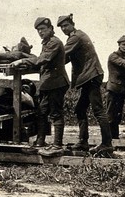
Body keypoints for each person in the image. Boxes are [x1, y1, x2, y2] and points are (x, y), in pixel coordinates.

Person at [11, 17, 69, 157]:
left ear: (50, 29)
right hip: (47, 83)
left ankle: (57, 145)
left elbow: (43, 59)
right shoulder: (47, 42)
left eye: (43, 29)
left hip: (56, 83)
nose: (40, 32)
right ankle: (40, 143)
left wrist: (23, 60)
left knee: (55, 113)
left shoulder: (54, 42)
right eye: (38, 30)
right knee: (41, 112)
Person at [57, 14, 112, 154]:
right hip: (90, 76)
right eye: (61, 27)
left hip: (91, 76)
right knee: (80, 109)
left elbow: (61, 54)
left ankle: (107, 144)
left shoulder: (75, 37)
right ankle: (83, 141)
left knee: (98, 110)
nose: (63, 29)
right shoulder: (76, 36)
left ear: (72, 24)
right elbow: (66, 58)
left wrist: (45, 61)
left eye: (66, 25)